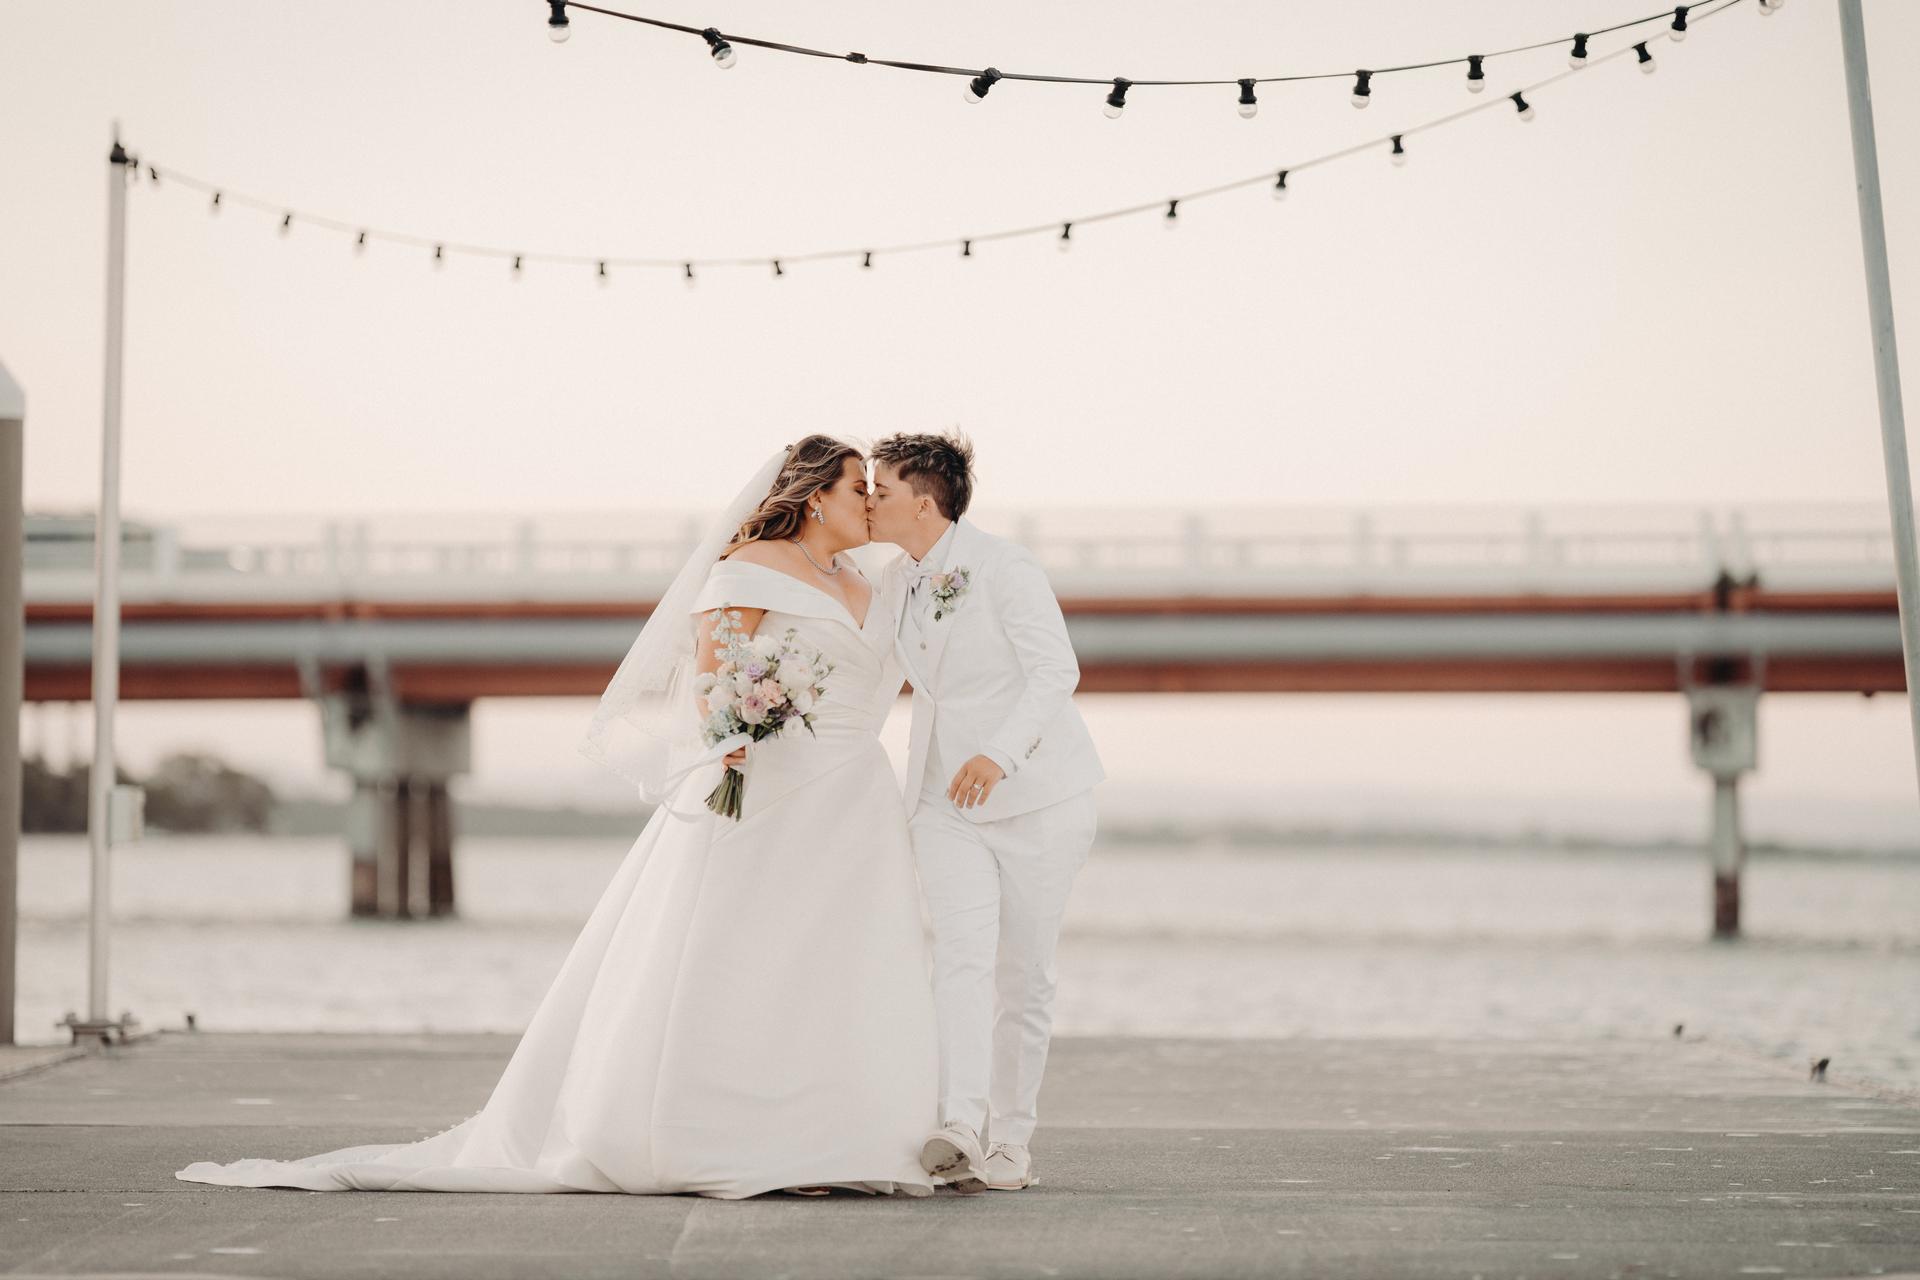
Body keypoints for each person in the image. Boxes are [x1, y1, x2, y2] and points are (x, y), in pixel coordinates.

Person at [175, 436, 940, 1198]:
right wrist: (737, 730)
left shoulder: (874, 584)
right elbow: (714, 674)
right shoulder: (748, 569)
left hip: (854, 800)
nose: (869, 501)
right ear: (813, 497)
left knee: (844, 960)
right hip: (769, 794)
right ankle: (741, 1140)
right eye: (856, 488)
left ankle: (844, 1136)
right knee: (752, 961)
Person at [865, 431, 1105, 1193]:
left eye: (881, 489)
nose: (870, 500)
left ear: (924, 500)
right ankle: (959, 1124)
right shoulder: (891, 582)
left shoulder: (1006, 567)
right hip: (941, 801)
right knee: (959, 959)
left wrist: (997, 754)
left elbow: (1053, 671)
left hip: (1040, 799)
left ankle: (1012, 1140)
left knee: (1023, 976)